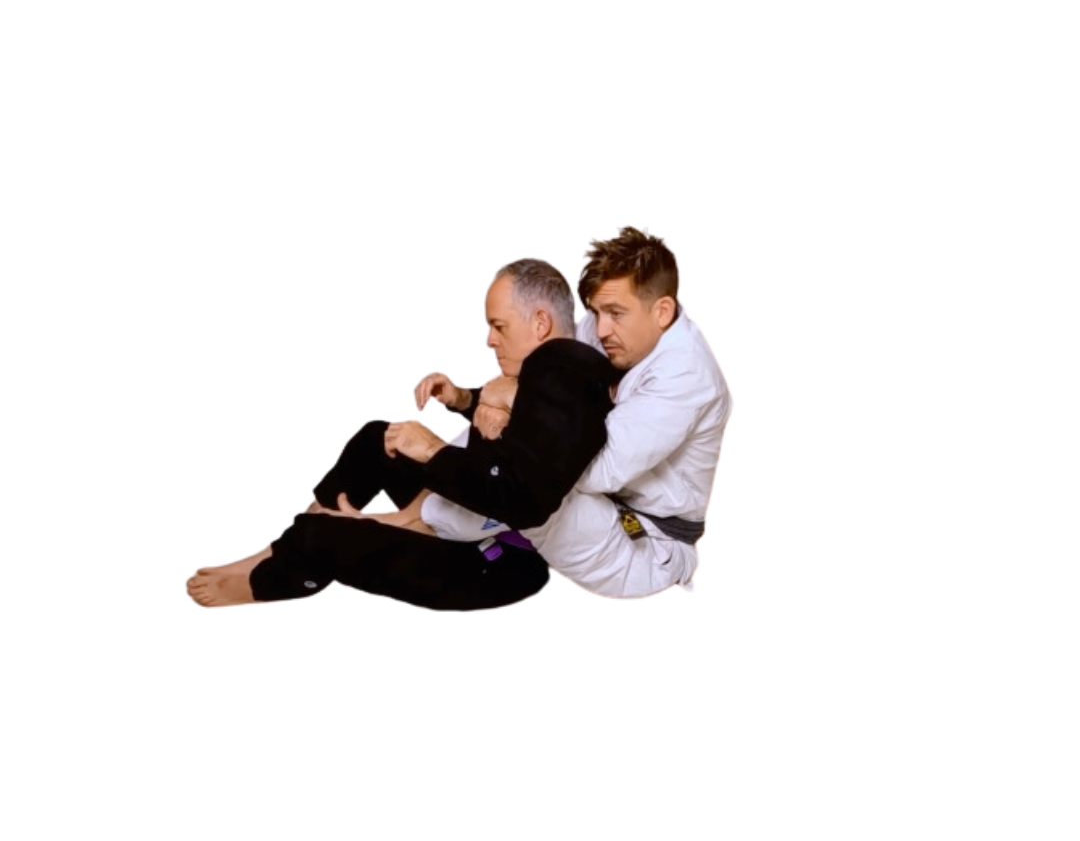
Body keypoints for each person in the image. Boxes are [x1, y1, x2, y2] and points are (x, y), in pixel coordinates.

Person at [183, 257, 618, 610]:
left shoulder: (568, 400)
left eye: (498, 326)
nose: (489, 339)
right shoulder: (535, 381)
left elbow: (499, 500)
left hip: (494, 562)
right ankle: (282, 547)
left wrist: (392, 511)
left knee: (325, 537)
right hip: (464, 510)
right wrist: (464, 399)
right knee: (379, 439)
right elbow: (485, 450)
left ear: (540, 324)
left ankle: (274, 578)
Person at [397, 226, 734, 600]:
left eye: (616, 313)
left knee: (532, 482)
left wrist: (515, 410)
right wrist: (468, 399)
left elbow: (591, 470)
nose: (599, 328)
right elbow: (540, 386)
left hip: (645, 540)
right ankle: (414, 515)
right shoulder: (602, 327)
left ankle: (412, 525)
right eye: (596, 310)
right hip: (603, 506)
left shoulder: (687, 374)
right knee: (502, 419)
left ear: (662, 311)